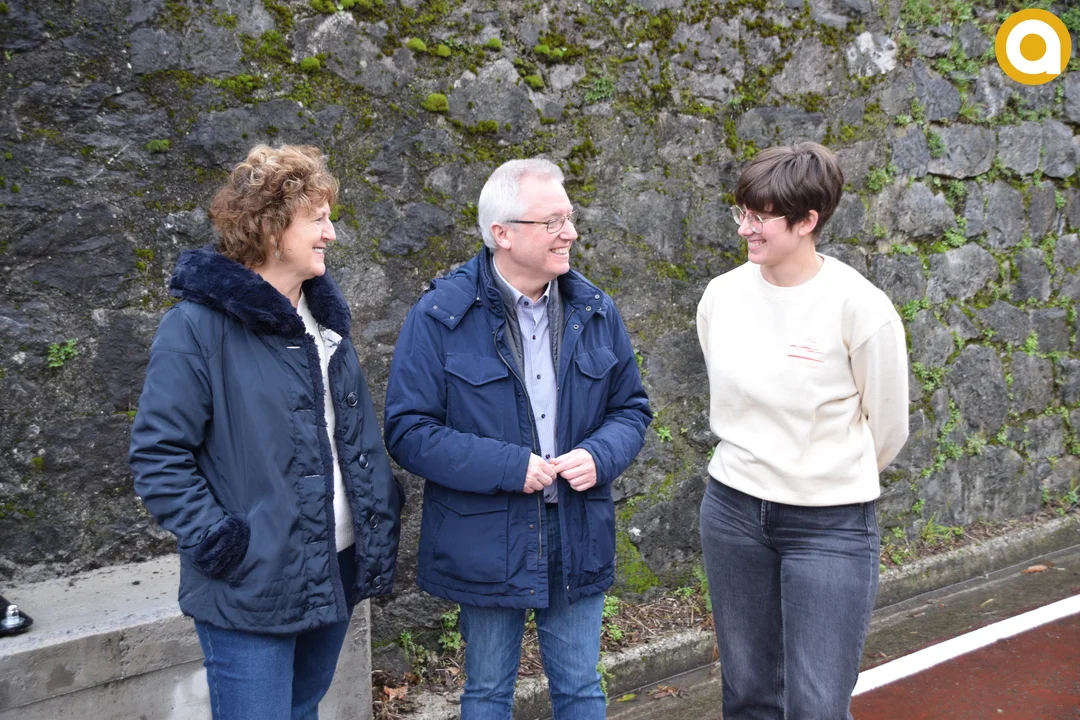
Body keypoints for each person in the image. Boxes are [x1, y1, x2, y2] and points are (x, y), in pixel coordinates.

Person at [129, 144, 404, 720]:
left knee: (303, 709)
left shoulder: (324, 319)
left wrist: (380, 499)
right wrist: (221, 541)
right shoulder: (196, 328)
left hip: (336, 560)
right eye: (318, 219)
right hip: (254, 578)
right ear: (272, 228)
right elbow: (159, 455)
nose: (331, 234)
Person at [384, 158, 651, 719]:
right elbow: (409, 431)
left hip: (576, 526)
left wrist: (599, 455)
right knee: (487, 691)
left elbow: (630, 408)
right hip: (487, 536)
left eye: (569, 218)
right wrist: (508, 466)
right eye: (552, 222)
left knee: (580, 687)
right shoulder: (440, 315)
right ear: (502, 234)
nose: (569, 233)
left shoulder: (594, 310)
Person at [696, 141, 909, 719]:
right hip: (733, 510)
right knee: (748, 695)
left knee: (817, 704)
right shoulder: (722, 297)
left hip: (830, 524)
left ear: (807, 221)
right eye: (741, 212)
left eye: (759, 217)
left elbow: (888, 426)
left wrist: (823, 474)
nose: (744, 228)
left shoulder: (860, 307)